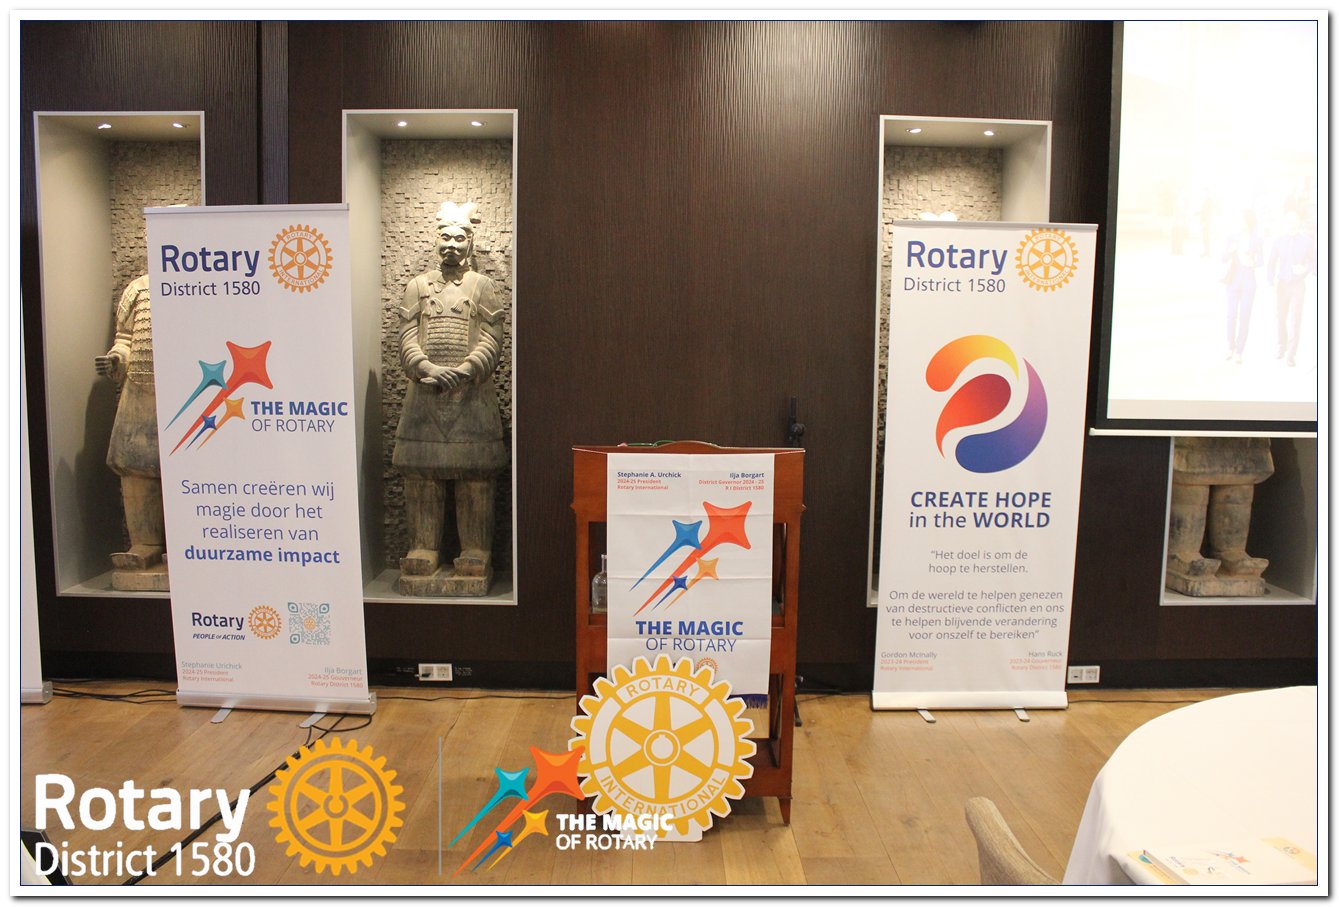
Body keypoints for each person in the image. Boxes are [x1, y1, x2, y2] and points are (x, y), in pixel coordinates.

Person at [392, 201, 507, 593]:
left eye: (459, 238)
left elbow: (492, 335)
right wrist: (424, 366)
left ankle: (475, 551)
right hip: (425, 396)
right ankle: (423, 547)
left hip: (472, 397)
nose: (452, 245)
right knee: (421, 474)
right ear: (435, 240)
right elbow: (406, 334)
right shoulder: (418, 286)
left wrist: (469, 368)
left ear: (470, 243)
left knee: (475, 477)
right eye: (446, 237)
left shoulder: (482, 286)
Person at [95, 274, 167, 586]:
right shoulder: (138, 289)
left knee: (186, 468)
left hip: (189, 388)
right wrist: (116, 359)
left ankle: (185, 541)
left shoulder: (203, 281)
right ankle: (145, 544)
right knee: (134, 466)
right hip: (138, 388)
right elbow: (124, 340)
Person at [1267, 209, 1313, 368]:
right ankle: (1282, 346)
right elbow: (1271, 262)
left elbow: (1315, 261)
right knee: (1280, 318)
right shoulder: (1278, 240)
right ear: (1285, 223)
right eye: (1289, 221)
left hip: (1298, 285)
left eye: (1294, 221)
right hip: (1282, 285)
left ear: (1299, 222)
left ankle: (1291, 355)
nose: (1292, 224)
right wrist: (1270, 281)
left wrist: (1305, 268)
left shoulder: (1307, 241)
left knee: (1295, 320)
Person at [1221, 210, 1262, 364]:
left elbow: (1261, 260)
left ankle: (1239, 351)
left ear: (1249, 222)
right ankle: (1230, 347)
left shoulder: (1257, 239)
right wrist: (1230, 251)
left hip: (1249, 283)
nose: (1240, 223)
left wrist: (1253, 263)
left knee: (1245, 316)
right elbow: (1223, 258)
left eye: (1243, 220)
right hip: (1233, 281)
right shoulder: (1232, 237)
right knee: (1231, 315)